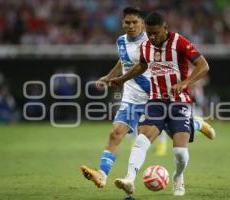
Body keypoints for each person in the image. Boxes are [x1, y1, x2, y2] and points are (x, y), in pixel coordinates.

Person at [80, 7, 215, 190]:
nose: (130, 26)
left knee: (175, 138)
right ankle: (103, 175)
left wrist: (184, 83)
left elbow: (197, 65)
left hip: (155, 95)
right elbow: (126, 61)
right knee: (116, 133)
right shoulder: (122, 42)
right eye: (127, 22)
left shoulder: (153, 39)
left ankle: (196, 124)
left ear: (142, 24)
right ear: (122, 23)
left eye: (134, 22)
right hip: (132, 97)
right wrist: (110, 77)